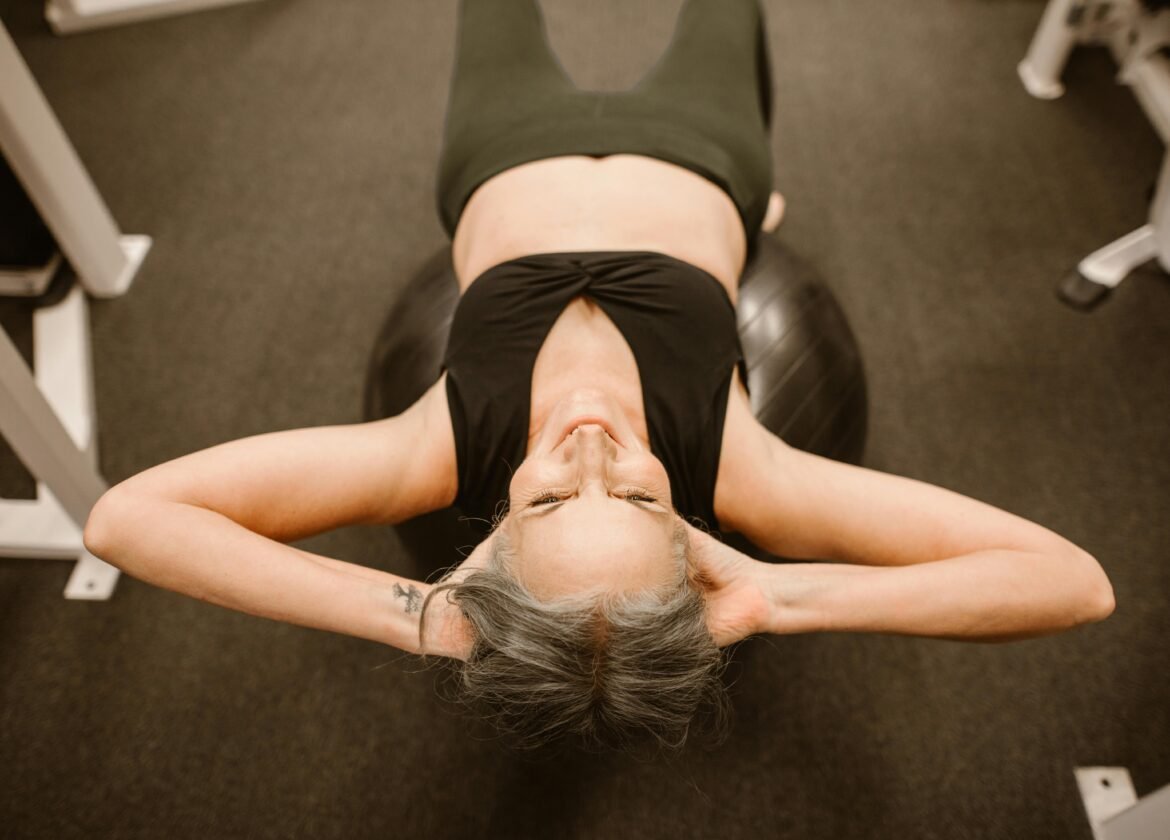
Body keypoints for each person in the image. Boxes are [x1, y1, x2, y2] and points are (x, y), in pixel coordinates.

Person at [83, 0, 1114, 750]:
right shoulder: (748, 470)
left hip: (504, 155)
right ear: (694, 536)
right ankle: (755, 221)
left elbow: (128, 519)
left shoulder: (431, 447)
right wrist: (777, 601)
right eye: (636, 495)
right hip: (702, 157)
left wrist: (423, 619)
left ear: (483, 543)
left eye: (541, 500)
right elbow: (1074, 584)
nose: (588, 450)